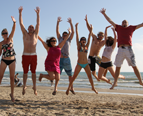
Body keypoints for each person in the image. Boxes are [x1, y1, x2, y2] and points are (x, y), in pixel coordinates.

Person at [100, 8, 143, 89]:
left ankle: (140, 81)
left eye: (125, 22)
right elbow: (110, 21)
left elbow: (141, 24)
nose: (124, 23)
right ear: (121, 23)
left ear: (128, 23)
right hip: (120, 49)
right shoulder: (118, 27)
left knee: (134, 65)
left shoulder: (131, 28)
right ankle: (115, 83)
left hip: (129, 49)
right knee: (118, 67)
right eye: (123, 22)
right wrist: (104, 14)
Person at [66, 22, 98, 95]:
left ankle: (93, 87)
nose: (84, 40)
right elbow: (77, 36)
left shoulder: (87, 46)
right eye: (82, 40)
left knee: (90, 76)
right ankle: (68, 88)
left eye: (84, 40)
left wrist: (91, 29)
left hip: (86, 64)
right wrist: (76, 27)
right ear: (80, 41)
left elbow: (89, 36)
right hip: (79, 64)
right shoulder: (79, 46)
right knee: (74, 77)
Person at [38, 28, 71, 95]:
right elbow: (41, 41)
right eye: (52, 41)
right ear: (50, 42)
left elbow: (64, 40)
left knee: (58, 78)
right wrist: (36, 34)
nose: (54, 42)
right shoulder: (48, 47)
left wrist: (69, 33)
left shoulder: (59, 47)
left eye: (55, 40)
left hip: (56, 65)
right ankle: (42, 75)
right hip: (49, 64)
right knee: (52, 77)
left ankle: (55, 89)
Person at [19, 6, 40, 95]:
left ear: (34, 29)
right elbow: (21, 23)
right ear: (28, 29)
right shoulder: (25, 34)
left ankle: (34, 87)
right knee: (25, 72)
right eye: (30, 27)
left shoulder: (36, 35)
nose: (31, 28)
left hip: (34, 55)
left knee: (34, 72)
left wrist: (38, 14)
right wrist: (20, 13)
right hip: (25, 55)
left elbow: (38, 24)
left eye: (32, 27)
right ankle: (24, 86)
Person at [85, 15, 111, 84]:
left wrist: (106, 30)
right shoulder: (94, 38)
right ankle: (97, 78)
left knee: (107, 67)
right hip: (91, 57)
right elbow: (89, 30)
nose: (100, 36)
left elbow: (106, 37)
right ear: (98, 34)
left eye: (102, 35)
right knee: (93, 72)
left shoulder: (103, 42)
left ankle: (104, 77)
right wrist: (86, 21)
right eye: (99, 34)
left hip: (97, 57)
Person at [56, 17, 75, 94]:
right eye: (63, 35)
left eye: (65, 34)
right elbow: (57, 31)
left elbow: (73, 32)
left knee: (70, 75)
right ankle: (55, 88)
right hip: (60, 59)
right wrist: (58, 23)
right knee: (57, 75)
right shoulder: (60, 39)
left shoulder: (69, 40)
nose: (64, 36)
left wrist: (71, 23)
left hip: (67, 59)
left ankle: (72, 88)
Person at [0, 16, 16, 102]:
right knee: (0, 77)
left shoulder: (10, 39)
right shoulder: (1, 43)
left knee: (12, 78)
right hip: (4, 60)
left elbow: (13, 30)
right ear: (2, 35)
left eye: (6, 32)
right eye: (3, 33)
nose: (5, 34)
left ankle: (12, 94)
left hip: (12, 60)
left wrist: (14, 22)